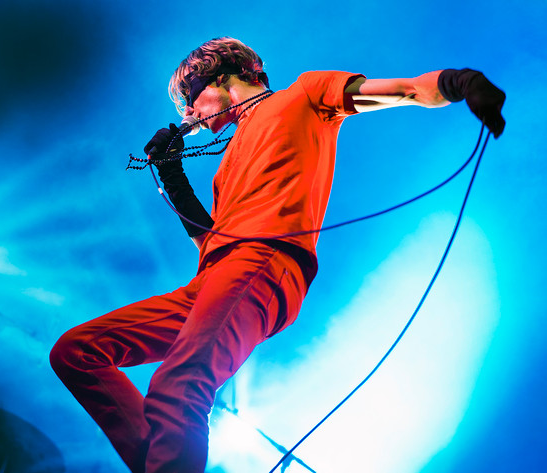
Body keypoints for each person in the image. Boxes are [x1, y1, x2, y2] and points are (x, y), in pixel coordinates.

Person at [50, 37, 505, 473]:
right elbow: (210, 247)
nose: (188, 115)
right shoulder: (226, 165)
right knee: (77, 352)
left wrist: (462, 82)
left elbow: (404, 90)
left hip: (265, 264)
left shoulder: (303, 94)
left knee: (179, 385)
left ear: (221, 78)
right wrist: (173, 176)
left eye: (191, 99)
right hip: (214, 278)